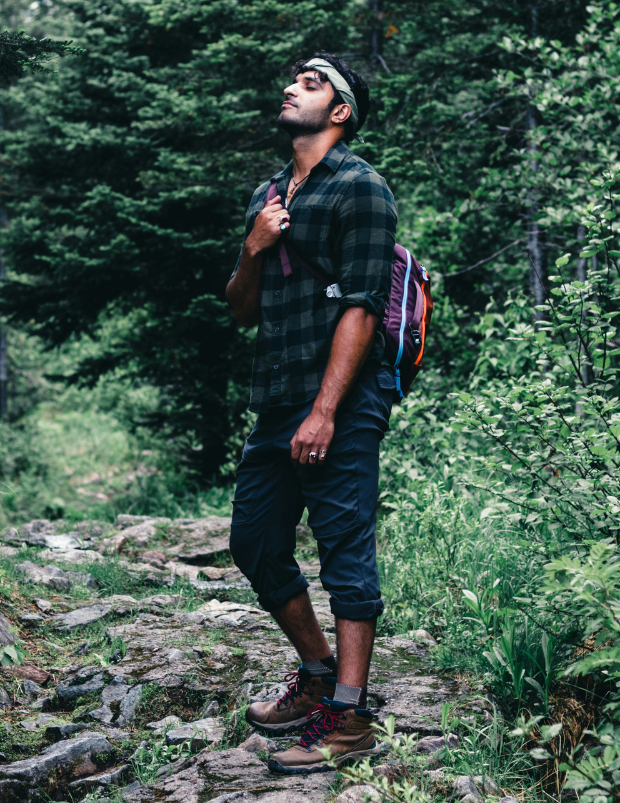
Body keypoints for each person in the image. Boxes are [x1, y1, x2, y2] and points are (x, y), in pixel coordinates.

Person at [224, 53, 397, 774]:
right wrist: (254, 248)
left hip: (342, 403)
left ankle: (350, 719)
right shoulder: (270, 194)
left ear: (340, 111)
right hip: (275, 400)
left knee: (344, 553)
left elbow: (361, 306)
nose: (292, 86)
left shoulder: (362, 189)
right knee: (254, 543)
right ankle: (317, 674)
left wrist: (326, 412)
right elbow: (240, 309)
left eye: (313, 81)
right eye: (293, 77)